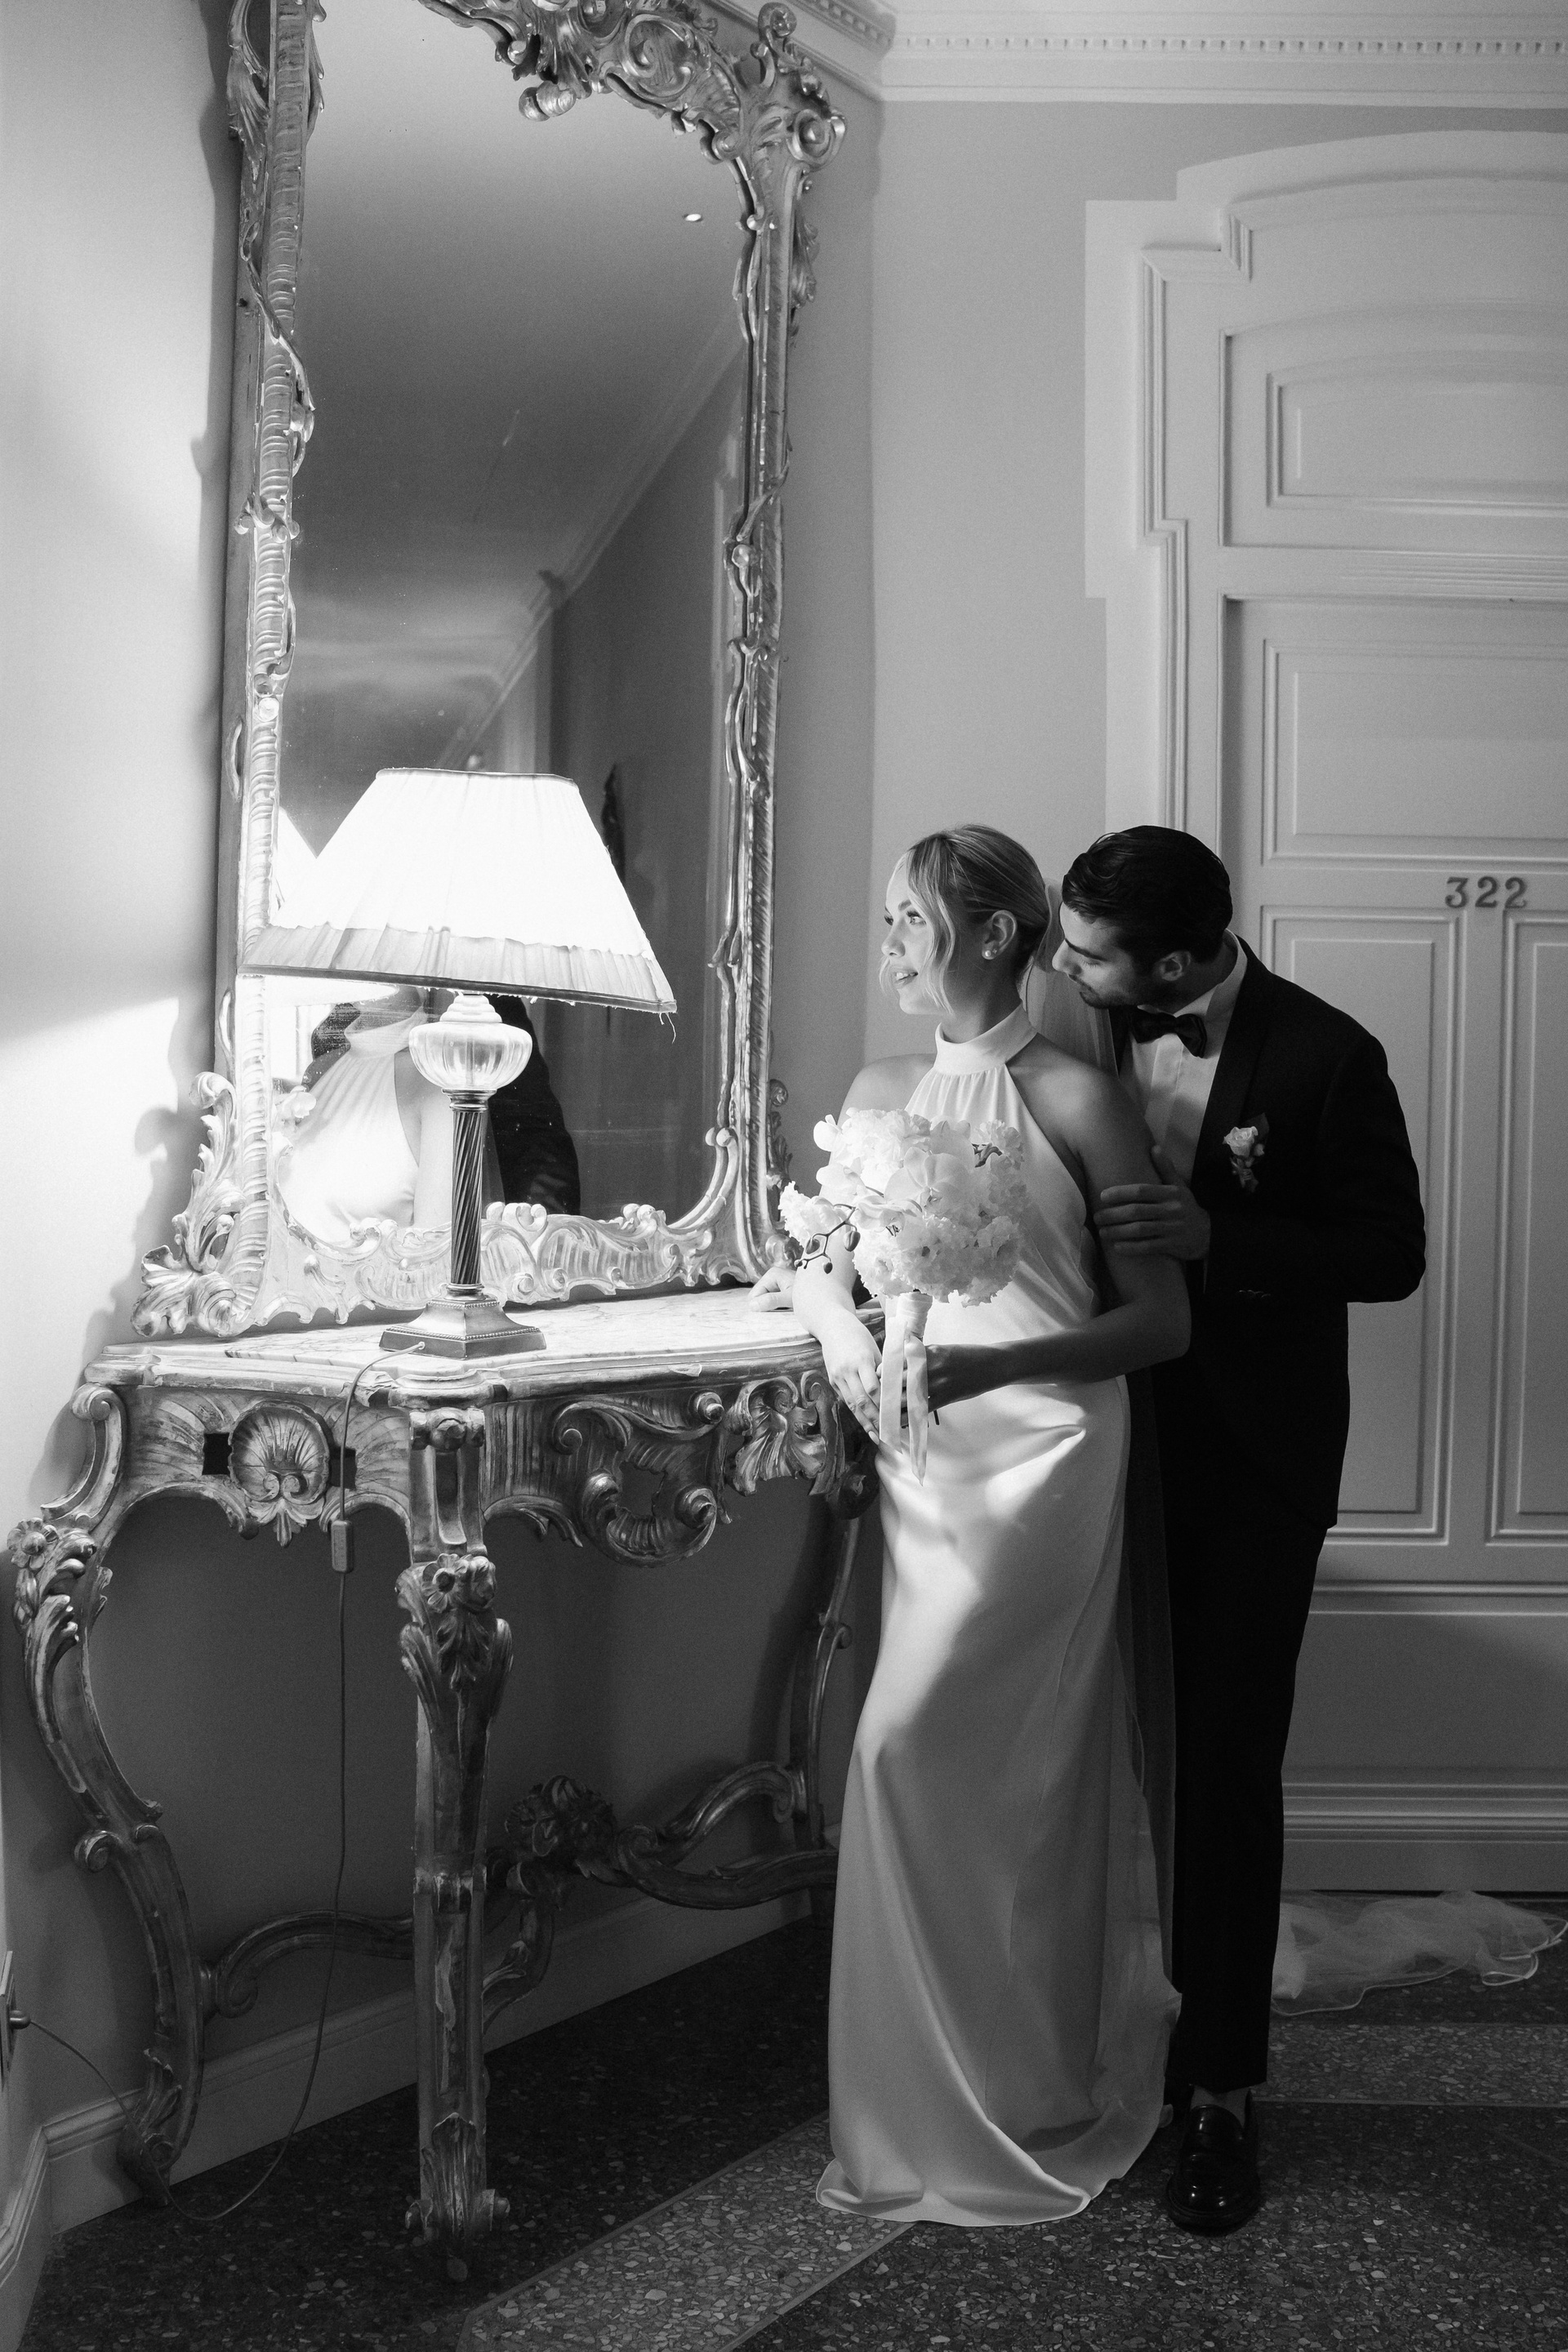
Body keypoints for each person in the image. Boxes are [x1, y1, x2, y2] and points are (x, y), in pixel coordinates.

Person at [782, 825, 1191, 2227]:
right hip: (923, 1457)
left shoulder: (1080, 1098)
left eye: (914, 919)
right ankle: (937, 2099)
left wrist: (989, 1368)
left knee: (930, 1754)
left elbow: (1159, 1323)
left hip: (1045, 1455)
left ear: (996, 934)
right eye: (894, 919)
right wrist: (845, 1334)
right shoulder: (878, 1088)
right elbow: (817, 1263)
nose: (893, 943)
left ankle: (999, 2093)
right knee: (953, 1776)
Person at [1054, 825, 1425, 2235]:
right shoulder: (1064, 1029)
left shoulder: (1328, 1055)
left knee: (1220, 1765)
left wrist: (1225, 1245)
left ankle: (1219, 2090)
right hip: (1078, 1445)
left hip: (1251, 1464)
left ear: (1175, 964)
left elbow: (1390, 1254)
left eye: (1091, 954)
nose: (1066, 971)